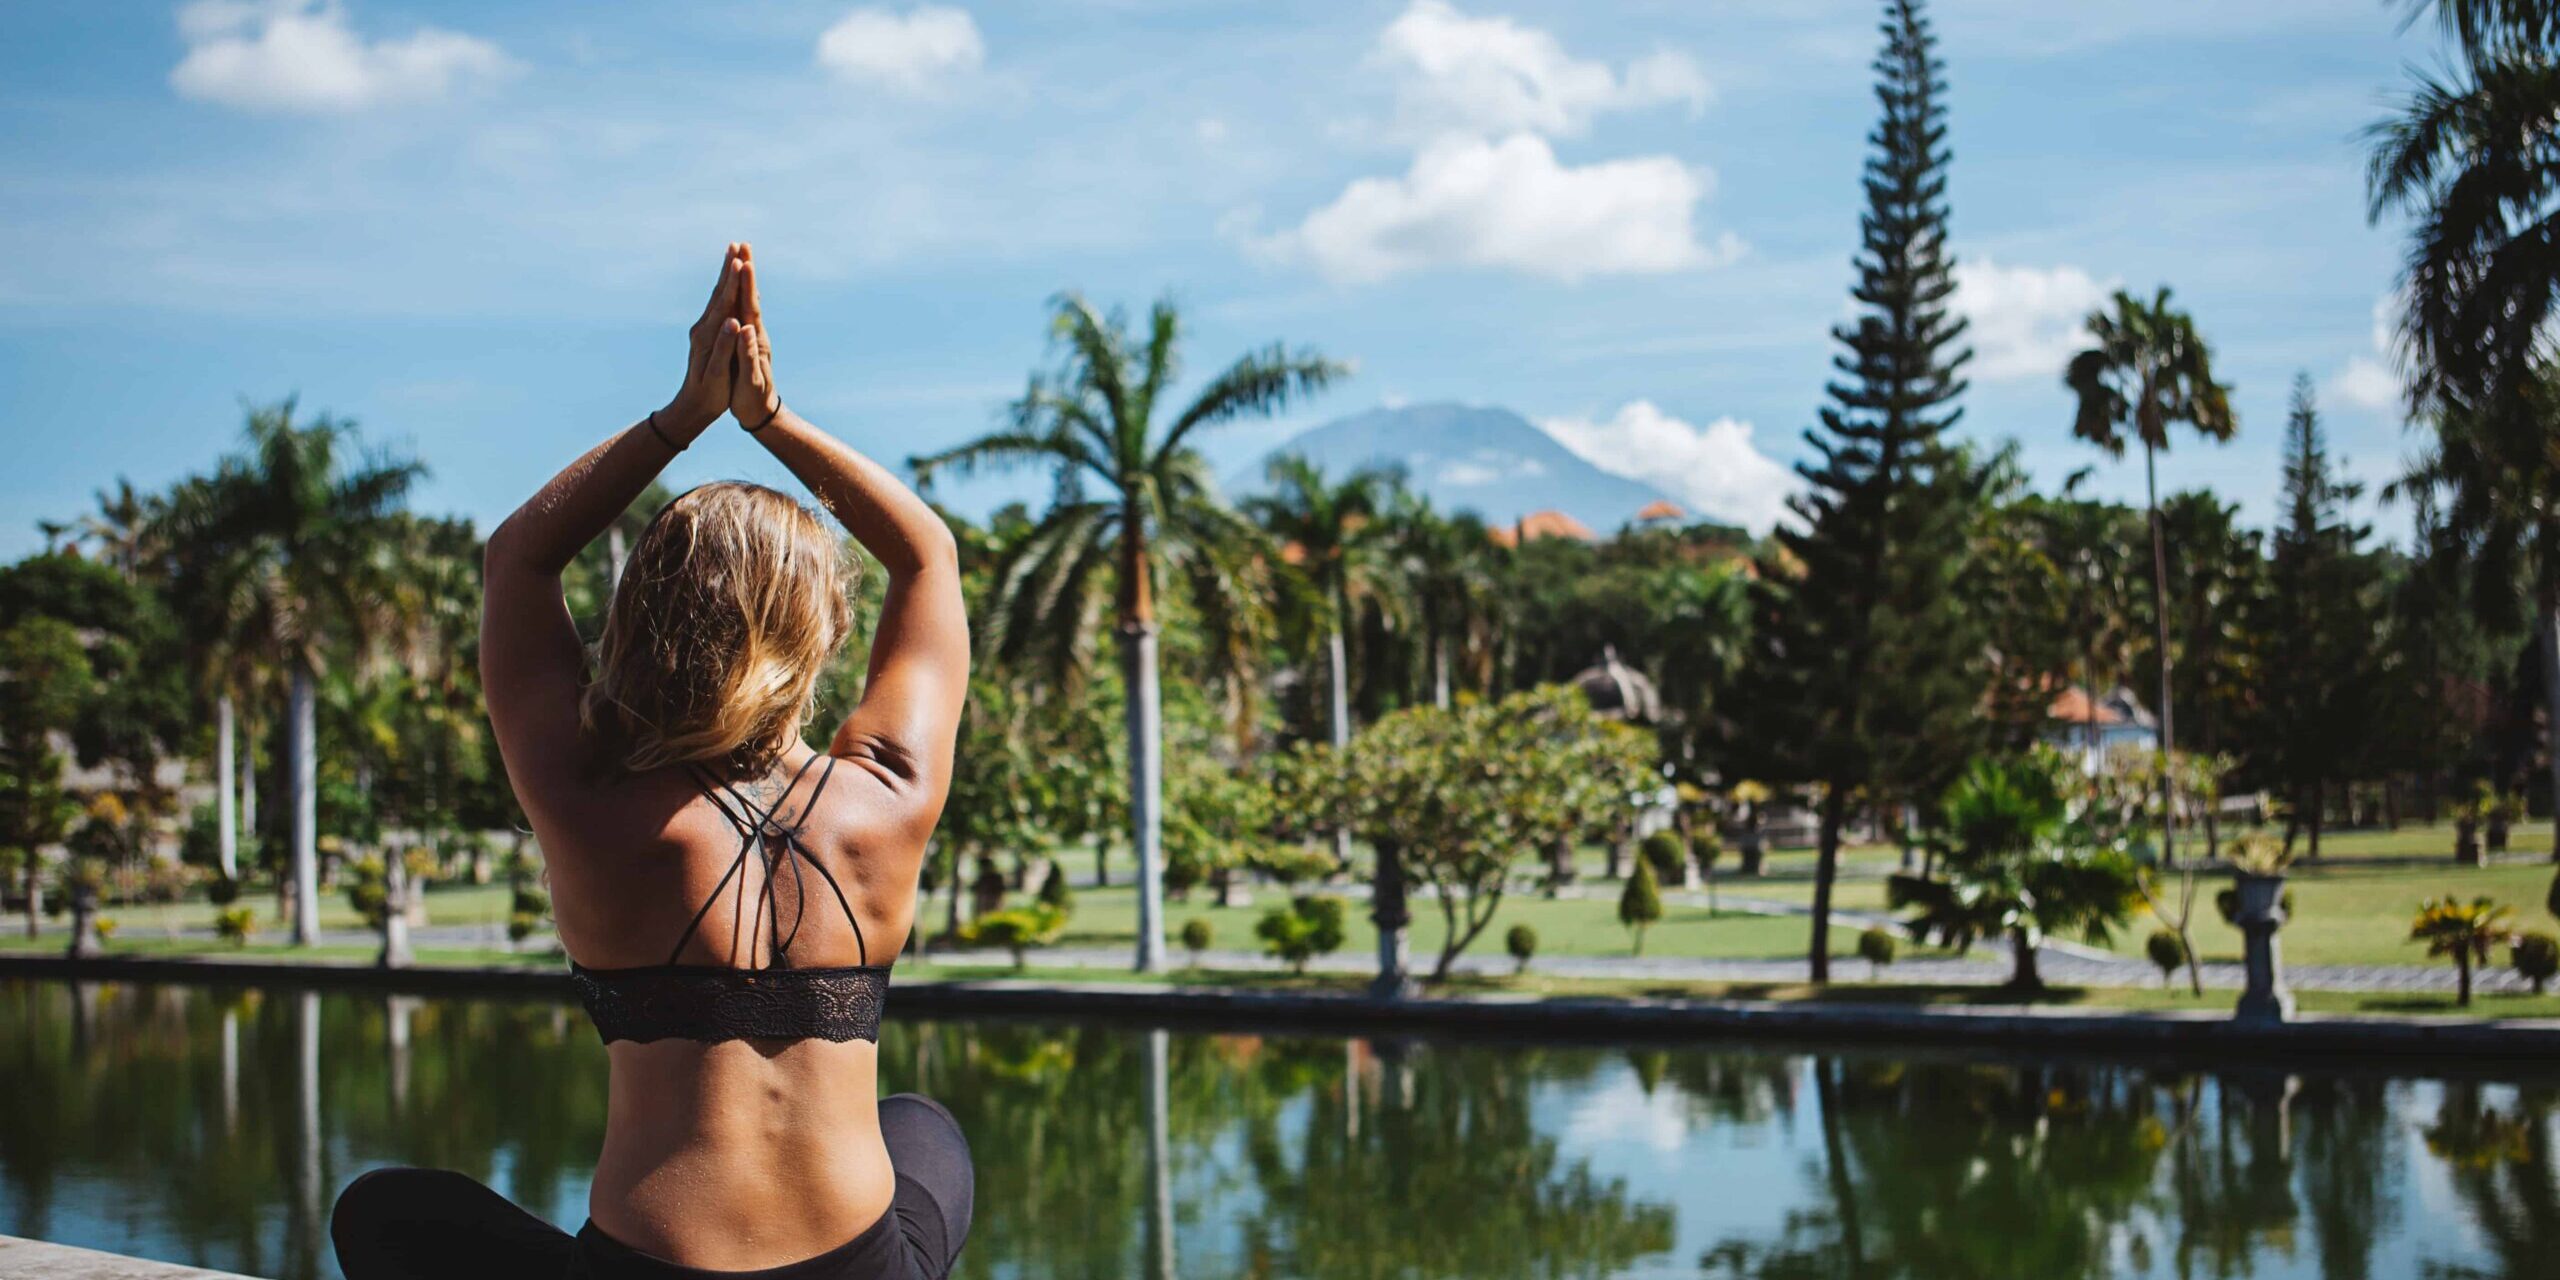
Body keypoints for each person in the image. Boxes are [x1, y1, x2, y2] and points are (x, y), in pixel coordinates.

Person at [331, 244, 973, 1280]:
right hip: (859, 1270)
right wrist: (772, 421)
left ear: (640, 619)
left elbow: (517, 559)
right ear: (819, 630)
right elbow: (926, 553)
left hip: (642, 1270)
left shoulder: (591, 803)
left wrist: (683, 415)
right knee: (923, 1128)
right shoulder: (883, 795)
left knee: (384, 1209)